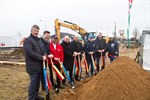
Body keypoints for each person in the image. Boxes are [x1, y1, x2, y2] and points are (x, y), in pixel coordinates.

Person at [23, 25, 46, 100]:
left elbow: (44, 49)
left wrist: (45, 55)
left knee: (37, 83)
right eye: (35, 30)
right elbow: (30, 53)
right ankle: (31, 98)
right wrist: (41, 57)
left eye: (37, 31)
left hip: (40, 66)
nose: (36, 32)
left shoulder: (39, 40)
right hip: (32, 66)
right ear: (31, 31)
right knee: (33, 83)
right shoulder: (28, 40)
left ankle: (35, 96)